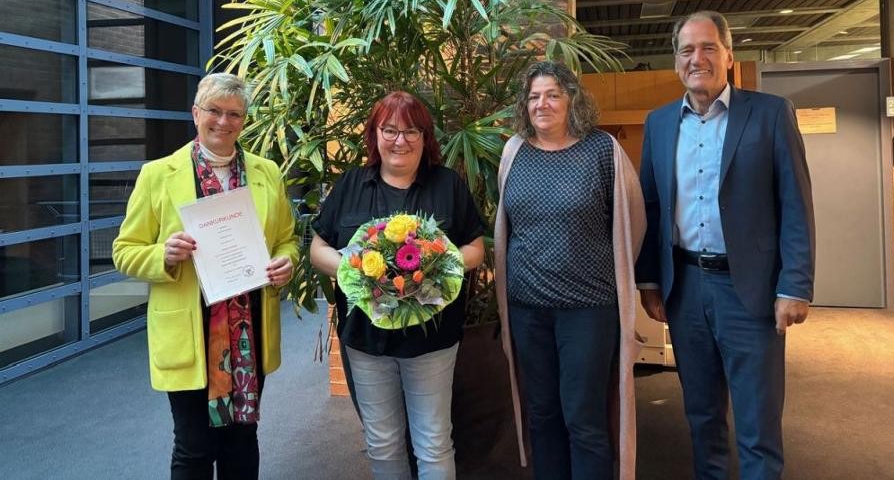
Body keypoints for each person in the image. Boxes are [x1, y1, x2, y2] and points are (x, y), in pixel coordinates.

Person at [637, 11, 815, 480]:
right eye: (687, 50)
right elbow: (651, 208)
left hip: (750, 292)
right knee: (702, 419)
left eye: (708, 47)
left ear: (730, 56)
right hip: (687, 289)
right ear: (676, 61)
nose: (698, 58)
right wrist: (651, 280)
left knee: (758, 426)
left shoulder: (770, 113)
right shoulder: (658, 124)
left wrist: (795, 285)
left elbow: (795, 203)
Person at [112, 73, 299, 480]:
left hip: (248, 332)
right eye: (214, 111)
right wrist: (163, 254)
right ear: (196, 113)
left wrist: (286, 262)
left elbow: (286, 239)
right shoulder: (159, 174)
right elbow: (124, 251)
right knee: (194, 447)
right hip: (189, 330)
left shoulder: (267, 172)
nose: (223, 121)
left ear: (244, 120)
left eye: (234, 114)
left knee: (242, 442)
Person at [309, 91, 486, 480]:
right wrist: (354, 268)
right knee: (383, 441)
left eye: (411, 131)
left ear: (425, 137)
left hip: (432, 341)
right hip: (365, 340)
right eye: (389, 130)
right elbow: (317, 247)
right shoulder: (352, 183)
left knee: (434, 440)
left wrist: (441, 263)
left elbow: (476, 246)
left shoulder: (447, 185)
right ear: (375, 135)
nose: (400, 140)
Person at [493, 61, 647, 480]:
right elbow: (508, 227)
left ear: (572, 100)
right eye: (534, 97)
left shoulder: (602, 150)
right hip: (528, 309)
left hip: (589, 309)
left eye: (553, 95)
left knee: (584, 418)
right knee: (542, 412)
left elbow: (632, 222)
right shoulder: (514, 151)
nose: (542, 104)